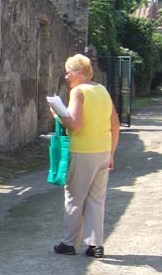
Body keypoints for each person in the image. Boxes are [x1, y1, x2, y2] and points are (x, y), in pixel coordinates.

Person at [49, 54, 120, 259]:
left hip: (82, 151)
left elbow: (74, 124)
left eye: (69, 72)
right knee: (96, 199)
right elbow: (115, 125)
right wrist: (112, 153)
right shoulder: (102, 90)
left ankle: (69, 243)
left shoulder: (78, 92)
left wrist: (56, 114)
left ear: (79, 73)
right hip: (103, 150)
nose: (66, 76)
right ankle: (95, 245)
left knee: (74, 196)